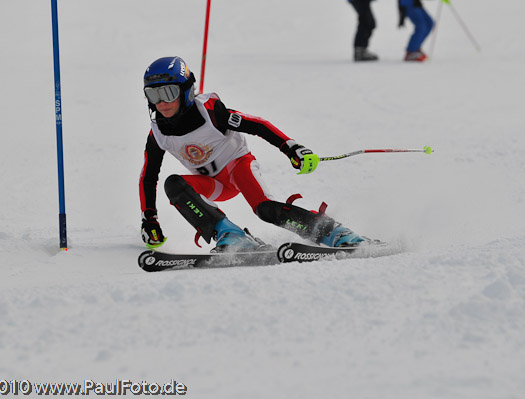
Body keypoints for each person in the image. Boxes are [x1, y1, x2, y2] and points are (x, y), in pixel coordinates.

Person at [139, 56, 366, 253]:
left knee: (265, 209)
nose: (161, 103)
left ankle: (333, 231)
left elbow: (257, 124)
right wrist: (149, 219)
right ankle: (232, 236)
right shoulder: (158, 133)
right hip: (211, 184)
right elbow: (148, 177)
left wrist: (292, 148)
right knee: (174, 185)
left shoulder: (210, 112)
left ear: (186, 90)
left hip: (237, 167)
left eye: (168, 93)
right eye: (153, 94)